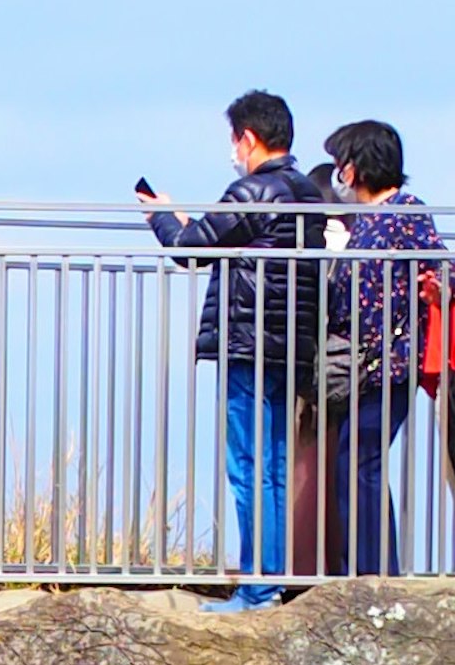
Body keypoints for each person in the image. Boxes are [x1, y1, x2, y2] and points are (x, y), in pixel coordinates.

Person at [138, 92, 324, 603]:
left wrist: (160, 215)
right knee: (276, 464)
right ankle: (274, 578)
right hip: (293, 341)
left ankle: (259, 586)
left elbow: (190, 248)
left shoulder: (252, 191)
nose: (233, 152)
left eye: (234, 141)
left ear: (248, 137)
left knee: (248, 464)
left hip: (248, 340)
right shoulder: (308, 193)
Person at [303, 119, 439, 579]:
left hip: (389, 363)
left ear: (357, 167)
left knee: (362, 463)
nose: (338, 173)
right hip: (365, 366)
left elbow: (440, 266)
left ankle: (375, 573)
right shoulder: (369, 221)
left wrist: (434, 287)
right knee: (354, 464)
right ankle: (364, 571)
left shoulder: (406, 211)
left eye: (342, 163)